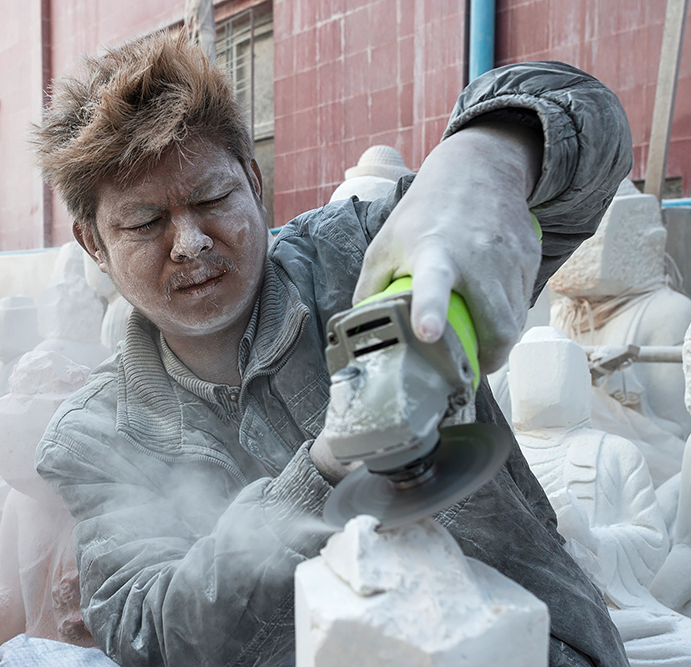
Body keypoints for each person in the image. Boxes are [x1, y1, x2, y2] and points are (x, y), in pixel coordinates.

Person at [31, 30, 632, 666]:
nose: (190, 243)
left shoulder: (364, 255)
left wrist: (490, 158)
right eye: (144, 224)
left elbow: (585, 117)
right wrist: (317, 478)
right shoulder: (95, 437)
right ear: (93, 243)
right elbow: (151, 632)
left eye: (212, 199)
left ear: (254, 183)